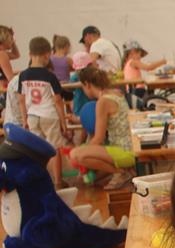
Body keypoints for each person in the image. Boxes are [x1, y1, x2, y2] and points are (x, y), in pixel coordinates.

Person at [69, 67, 135, 190]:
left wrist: (81, 150)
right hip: (130, 146)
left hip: (125, 152)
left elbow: (99, 138)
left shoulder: (103, 102)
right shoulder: (116, 93)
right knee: (81, 153)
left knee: (75, 155)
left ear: (87, 84)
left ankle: (120, 172)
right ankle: (122, 171)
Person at [18, 37, 68, 186]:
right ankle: (58, 181)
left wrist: (24, 120)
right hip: (49, 115)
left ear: (29, 54)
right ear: (47, 55)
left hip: (32, 115)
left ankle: (40, 180)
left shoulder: (23, 75)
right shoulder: (49, 76)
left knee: (36, 149)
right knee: (54, 148)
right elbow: (57, 100)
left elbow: (21, 100)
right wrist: (63, 122)